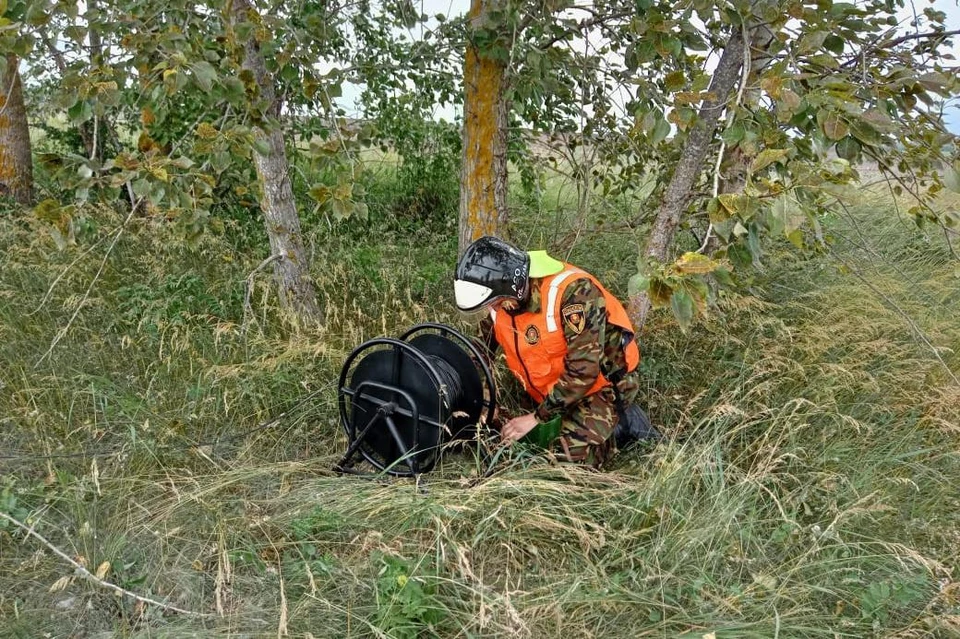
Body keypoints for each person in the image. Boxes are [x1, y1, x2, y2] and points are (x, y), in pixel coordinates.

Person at [454, 236, 648, 466]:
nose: (492, 309)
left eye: (495, 303)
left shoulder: (574, 294)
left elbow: (583, 371)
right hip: (550, 391)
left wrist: (536, 418)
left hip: (598, 388)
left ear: (512, 287)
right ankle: (562, 420)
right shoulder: (501, 303)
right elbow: (479, 352)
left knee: (566, 464)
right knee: (510, 444)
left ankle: (621, 425)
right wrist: (485, 402)